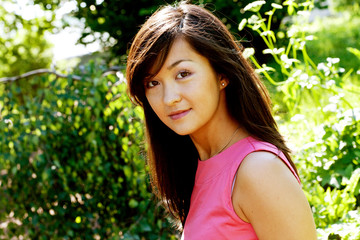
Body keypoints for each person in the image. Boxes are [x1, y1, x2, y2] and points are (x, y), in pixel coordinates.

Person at [126, 1, 317, 239]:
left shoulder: (258, 170)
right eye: (152, 83)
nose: (169, 98)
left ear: (222, 74)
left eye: (183, 74)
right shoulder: (199, 167)